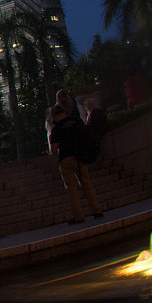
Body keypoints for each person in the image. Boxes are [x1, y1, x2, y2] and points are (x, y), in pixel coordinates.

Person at [46, 89, 102, 225]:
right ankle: (96, 211)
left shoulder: (56, 129)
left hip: (65, 159)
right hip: (80, 157)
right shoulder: (76, 121)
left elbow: (53, 150)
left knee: (72, 189)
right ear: (65, 112)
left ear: (54, 116)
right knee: (87, 184)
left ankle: (79, 216)